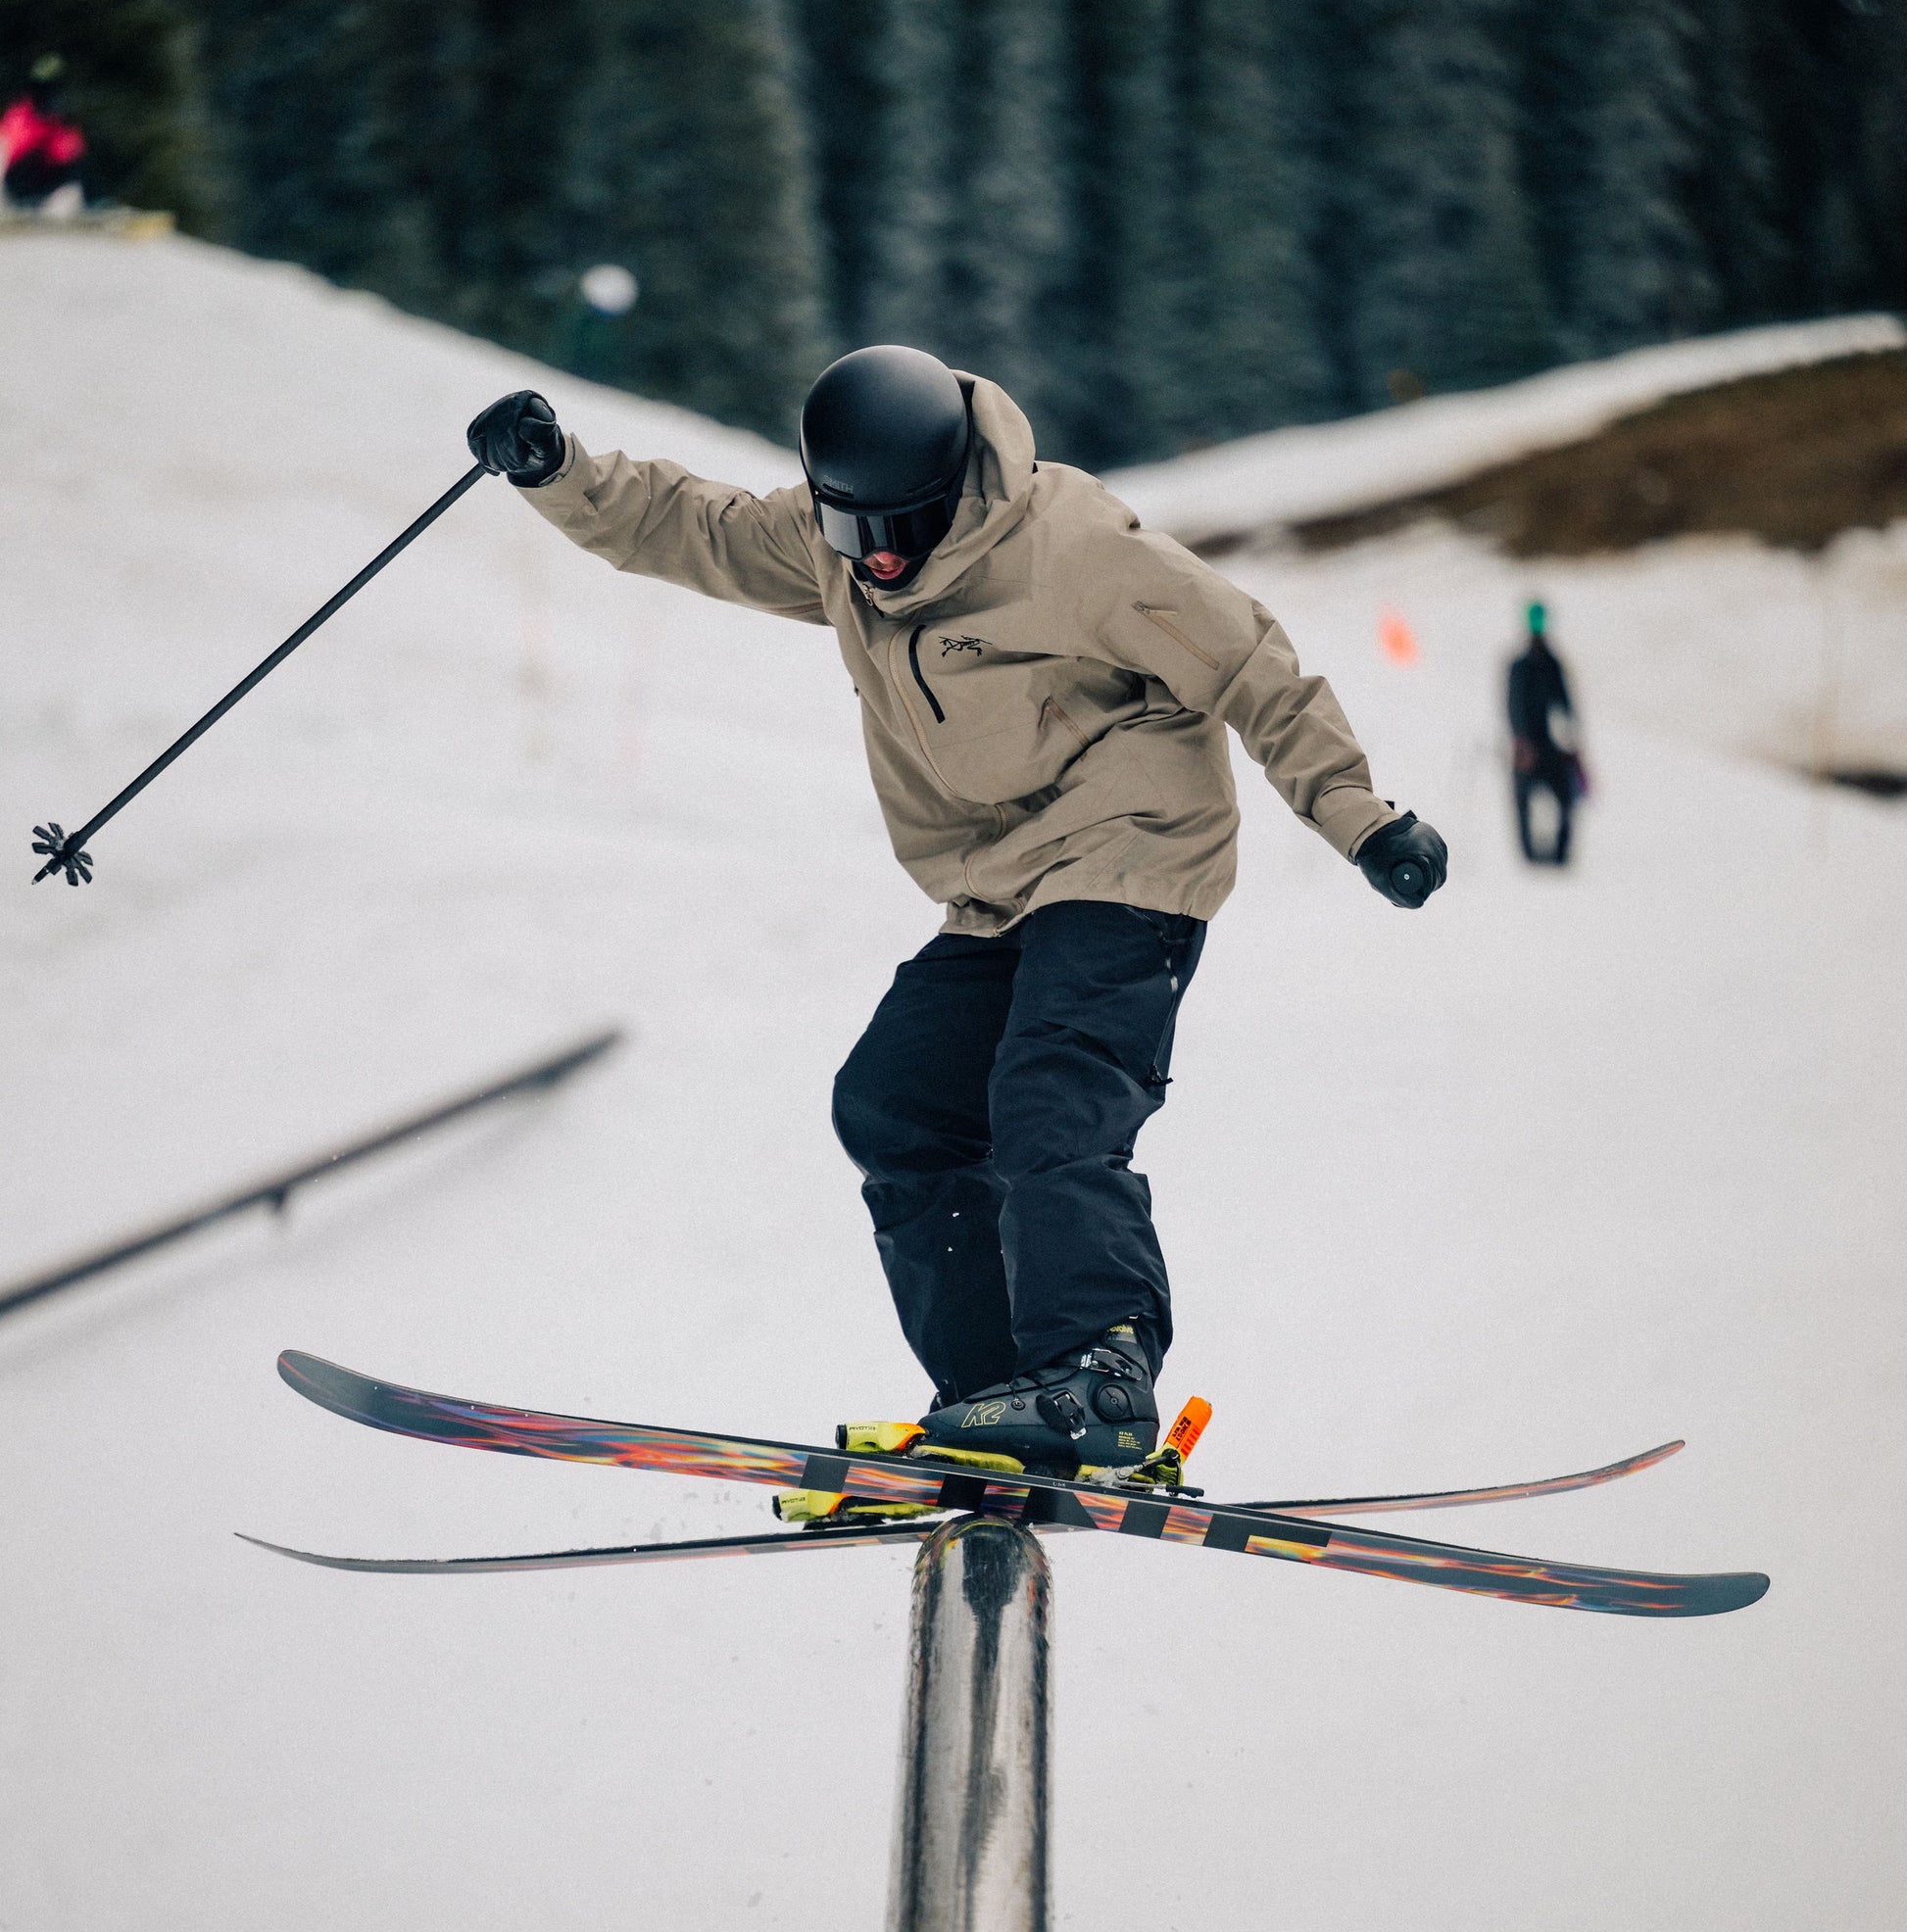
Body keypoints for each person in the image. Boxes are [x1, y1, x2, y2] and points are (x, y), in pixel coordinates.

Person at [467, 350, 1447, 1473]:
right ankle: (994, 1392)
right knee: (895, 1102)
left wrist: (1358, 816)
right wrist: (555, 471)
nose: (879, 556)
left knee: (1051, 1093)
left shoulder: (1072, 548)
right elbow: (691, 527)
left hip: (1132, 850)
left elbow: (1249, 664)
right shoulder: (842, 549)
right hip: (997, 886)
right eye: (854, 531)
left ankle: (1097, 1368)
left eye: (907, 526)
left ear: (955, 490)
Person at [1507, 601, 1584, 867]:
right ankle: (1531, 856)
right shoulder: (1523, 665)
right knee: (1524, 801)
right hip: (1530, 746)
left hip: (1549, 746)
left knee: (1563, 798)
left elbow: (1565, 704)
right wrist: (1521, 741)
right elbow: (1514, 707)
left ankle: (1558, 854)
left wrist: (1570, 740)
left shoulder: (1551, 664)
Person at [1, 58, 86, 217]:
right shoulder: (19, 117)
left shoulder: (64, 126)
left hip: (47, 196)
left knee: (70, 195)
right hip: (12, 190)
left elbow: (68, 168)